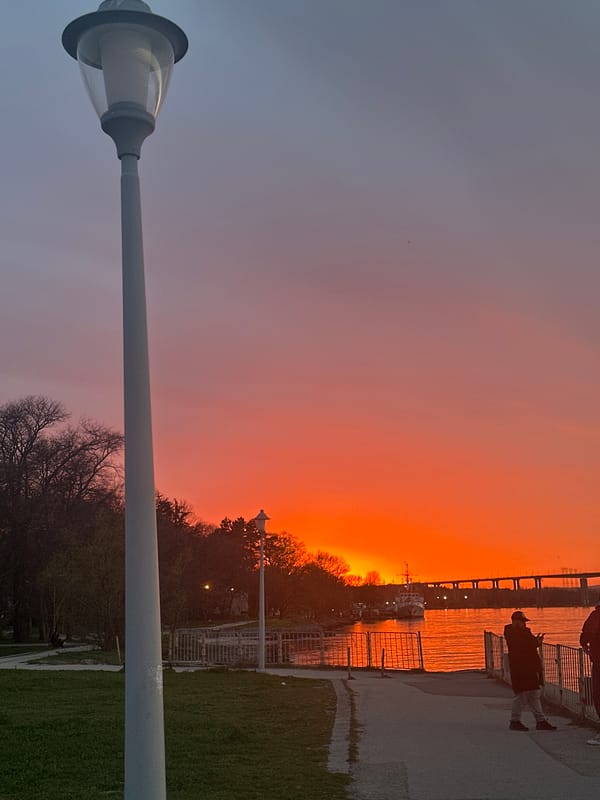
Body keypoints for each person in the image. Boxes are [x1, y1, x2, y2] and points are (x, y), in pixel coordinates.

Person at [504, 610, 556, 731]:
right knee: (521, 695)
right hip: (521, 669)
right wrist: (535, 643)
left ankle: (540, 720)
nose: (524, 624)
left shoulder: (523, 633)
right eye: (522, 622)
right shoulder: (512, 633)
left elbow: (529, 645)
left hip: (530, 668)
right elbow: (521, 647)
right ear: (515, 622)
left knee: (534, 694)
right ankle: (515, 721)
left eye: (524, 622)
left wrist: (536, 642)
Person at [580, 601, 600, 746]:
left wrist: (585, 646)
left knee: (598, 695)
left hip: (599, 660)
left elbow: (586, 634)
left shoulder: (596, 616)